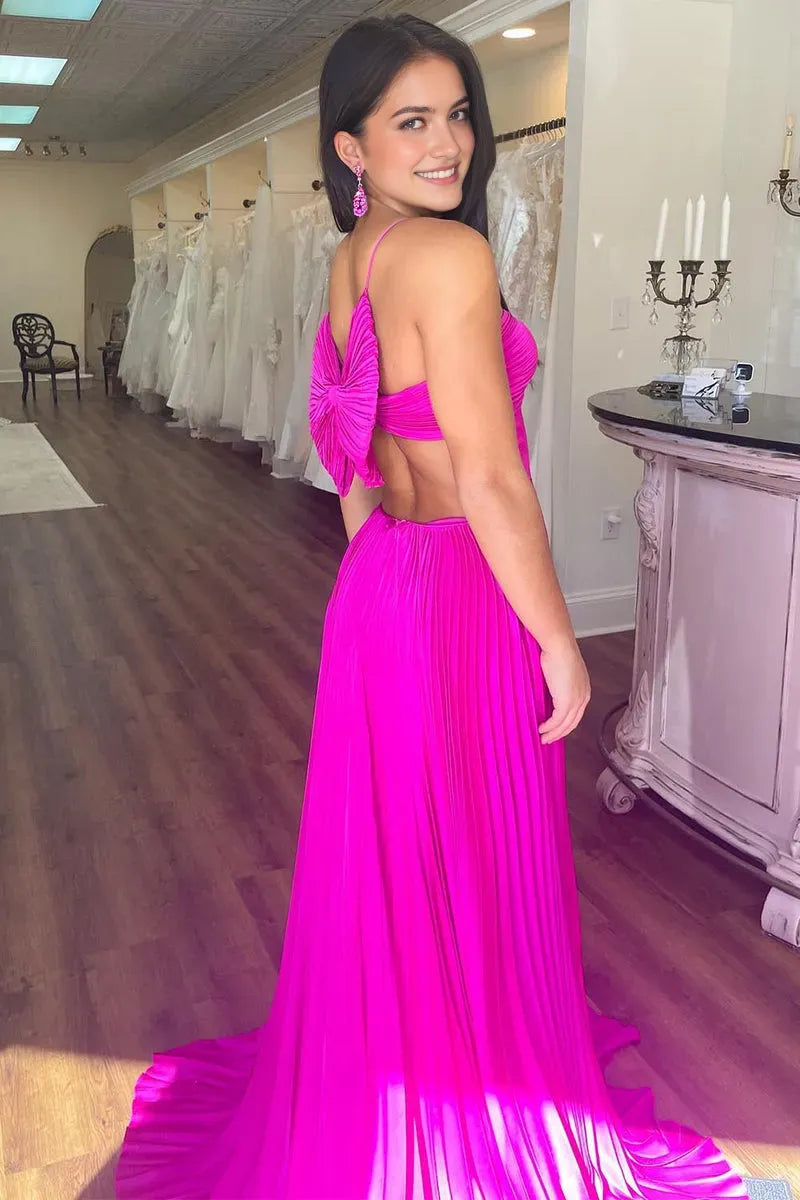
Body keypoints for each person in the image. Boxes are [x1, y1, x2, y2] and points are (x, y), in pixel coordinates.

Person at [115, 15, 747, 1198]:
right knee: (468, 833)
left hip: (384, 582)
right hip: (458, 583)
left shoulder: (352, 258)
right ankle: (469, 1073)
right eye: (411, 121)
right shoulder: (447, 256)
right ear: (350, 147)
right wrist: (561, 642)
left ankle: (414, 1054)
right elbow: (491, 477)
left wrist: (384, 562)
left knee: (403, 840)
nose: (447, 141)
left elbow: (347, 446)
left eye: (456, 113)